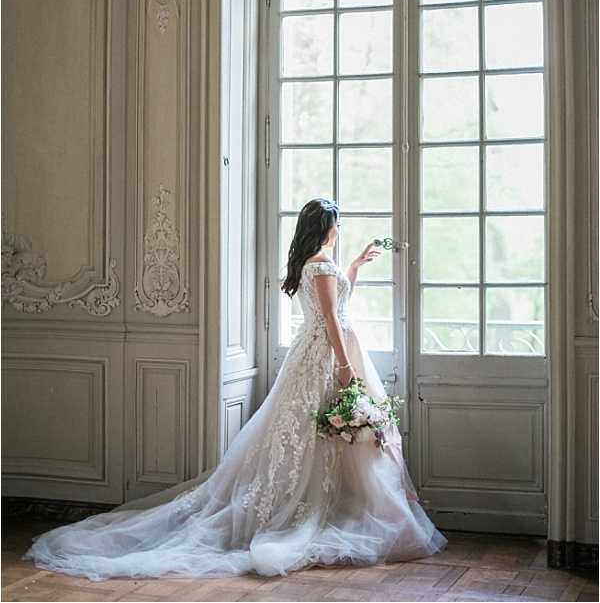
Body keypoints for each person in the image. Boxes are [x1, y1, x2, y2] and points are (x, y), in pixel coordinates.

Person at [23, 197, 447, 581]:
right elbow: (332, 319)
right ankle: (306, 510)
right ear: (324, 227)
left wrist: (353, 265)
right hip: (325, 354)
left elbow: (336, 302)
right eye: (337, 224)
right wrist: (343, 364)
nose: (340, 230)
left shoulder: (320, 263)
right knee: (317, 433)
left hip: (325, 349)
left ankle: (335, 503)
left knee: (330, 433)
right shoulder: (318, 265)